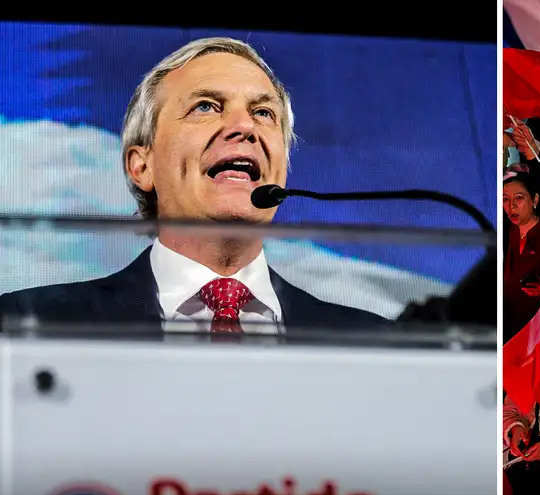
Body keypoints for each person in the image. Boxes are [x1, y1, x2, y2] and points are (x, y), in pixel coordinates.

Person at [0, 37, 386, 334]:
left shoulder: (373, 341)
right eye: (205, 106)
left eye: (263, 112)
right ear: (142, 166)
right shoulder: (31, 323)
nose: (245, 126)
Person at [502, 172, 540, 342]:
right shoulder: (504, 232)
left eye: (519, 198)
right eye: (505, 199)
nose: (511, 206)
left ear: (534, 200)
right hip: (506, 326)